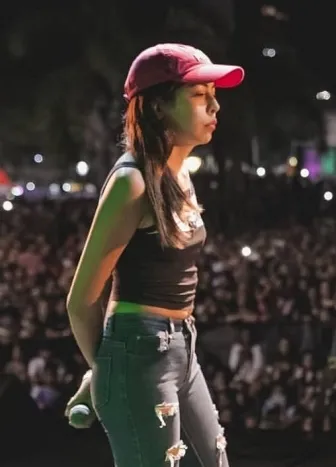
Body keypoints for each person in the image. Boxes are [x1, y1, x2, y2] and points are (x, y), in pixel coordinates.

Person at [64, 43, 245, 466]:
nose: (214, 106)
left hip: (182, 346)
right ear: (158, 106)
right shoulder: (131, 183)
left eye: (213, 95)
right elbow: (81, 300)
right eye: (199, 95)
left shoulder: (179, 173)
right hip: (139, 351)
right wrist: (105, 369)